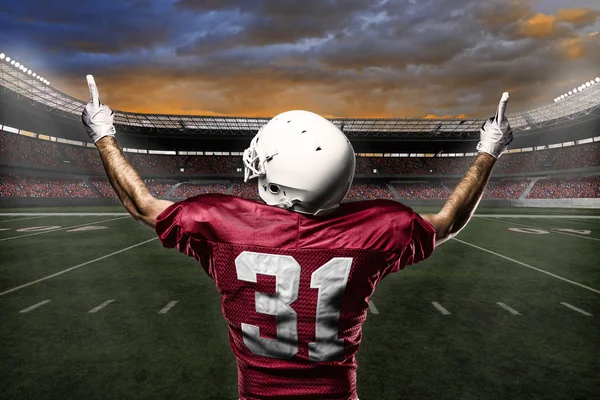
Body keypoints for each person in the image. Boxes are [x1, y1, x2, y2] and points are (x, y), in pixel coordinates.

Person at [82, 75, 513, 400]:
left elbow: (141, 204)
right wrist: (489, 149)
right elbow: (450, 220)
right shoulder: (379, 228)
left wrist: (103, 135)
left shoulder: (219, 222)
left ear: (280, 181)